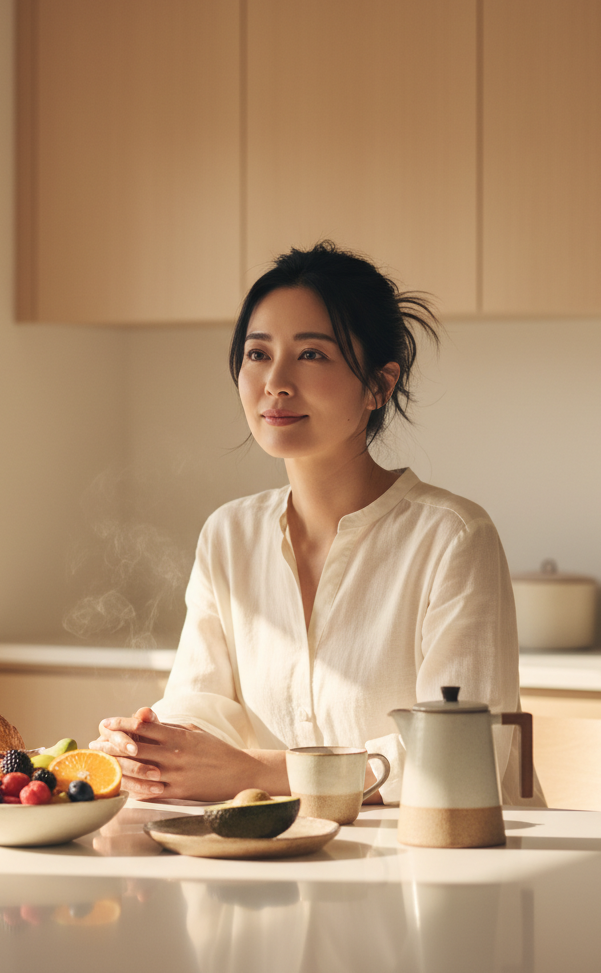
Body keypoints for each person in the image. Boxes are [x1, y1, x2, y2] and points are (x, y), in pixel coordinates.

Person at [90, 241, 521, 803]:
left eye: (312, 355)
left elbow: (463, 756)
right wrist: (154, 747)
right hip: (264, 870)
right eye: (257, 353)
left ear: (380, 384)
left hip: (416, 869)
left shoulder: (453, 537)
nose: (276, 382)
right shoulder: (228, 535)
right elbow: (201, 709)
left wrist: (253, 771)